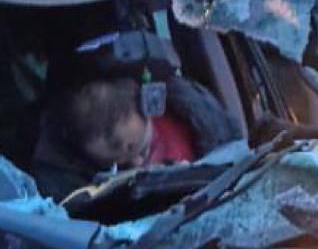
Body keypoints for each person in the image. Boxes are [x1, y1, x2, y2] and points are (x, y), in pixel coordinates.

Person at [31, 70, 241, 201]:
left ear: (150, 107)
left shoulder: (198, 115)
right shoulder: (70, 190)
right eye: (119, 164)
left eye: (145, 149)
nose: (138, 163)